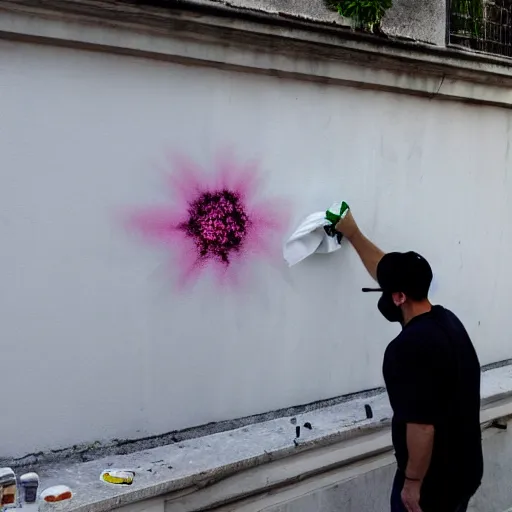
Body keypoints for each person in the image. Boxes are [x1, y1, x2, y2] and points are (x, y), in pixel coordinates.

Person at [335, 210, 483, 512]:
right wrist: (353, 234)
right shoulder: (448, 321)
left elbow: (421, 427)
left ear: (399, 297)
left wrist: (413, 482)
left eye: (387, 292)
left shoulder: (407, 349)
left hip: (433, 485)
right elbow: (387, 271)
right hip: (464, 471)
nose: (384, 297)